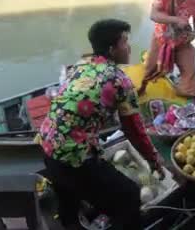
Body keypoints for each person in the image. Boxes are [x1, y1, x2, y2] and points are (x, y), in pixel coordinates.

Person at [39, 19, 163, 230]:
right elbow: (134, 130)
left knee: (68, 199)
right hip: (75, 159)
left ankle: (70, 223)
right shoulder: (119, 80)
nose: (129, 47)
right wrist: (153, 160)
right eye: (125, 42)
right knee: (130, 197)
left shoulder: (81, 65)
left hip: (47, 145)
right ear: (112, 49)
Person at [138, 0, 195, 97]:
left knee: (190, 72)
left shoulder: (194, 0)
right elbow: (153, 15)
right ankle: (142, 87)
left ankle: (182, 93)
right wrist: (176, 20)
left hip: (182, 42)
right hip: (161, 41)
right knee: (150, 68)